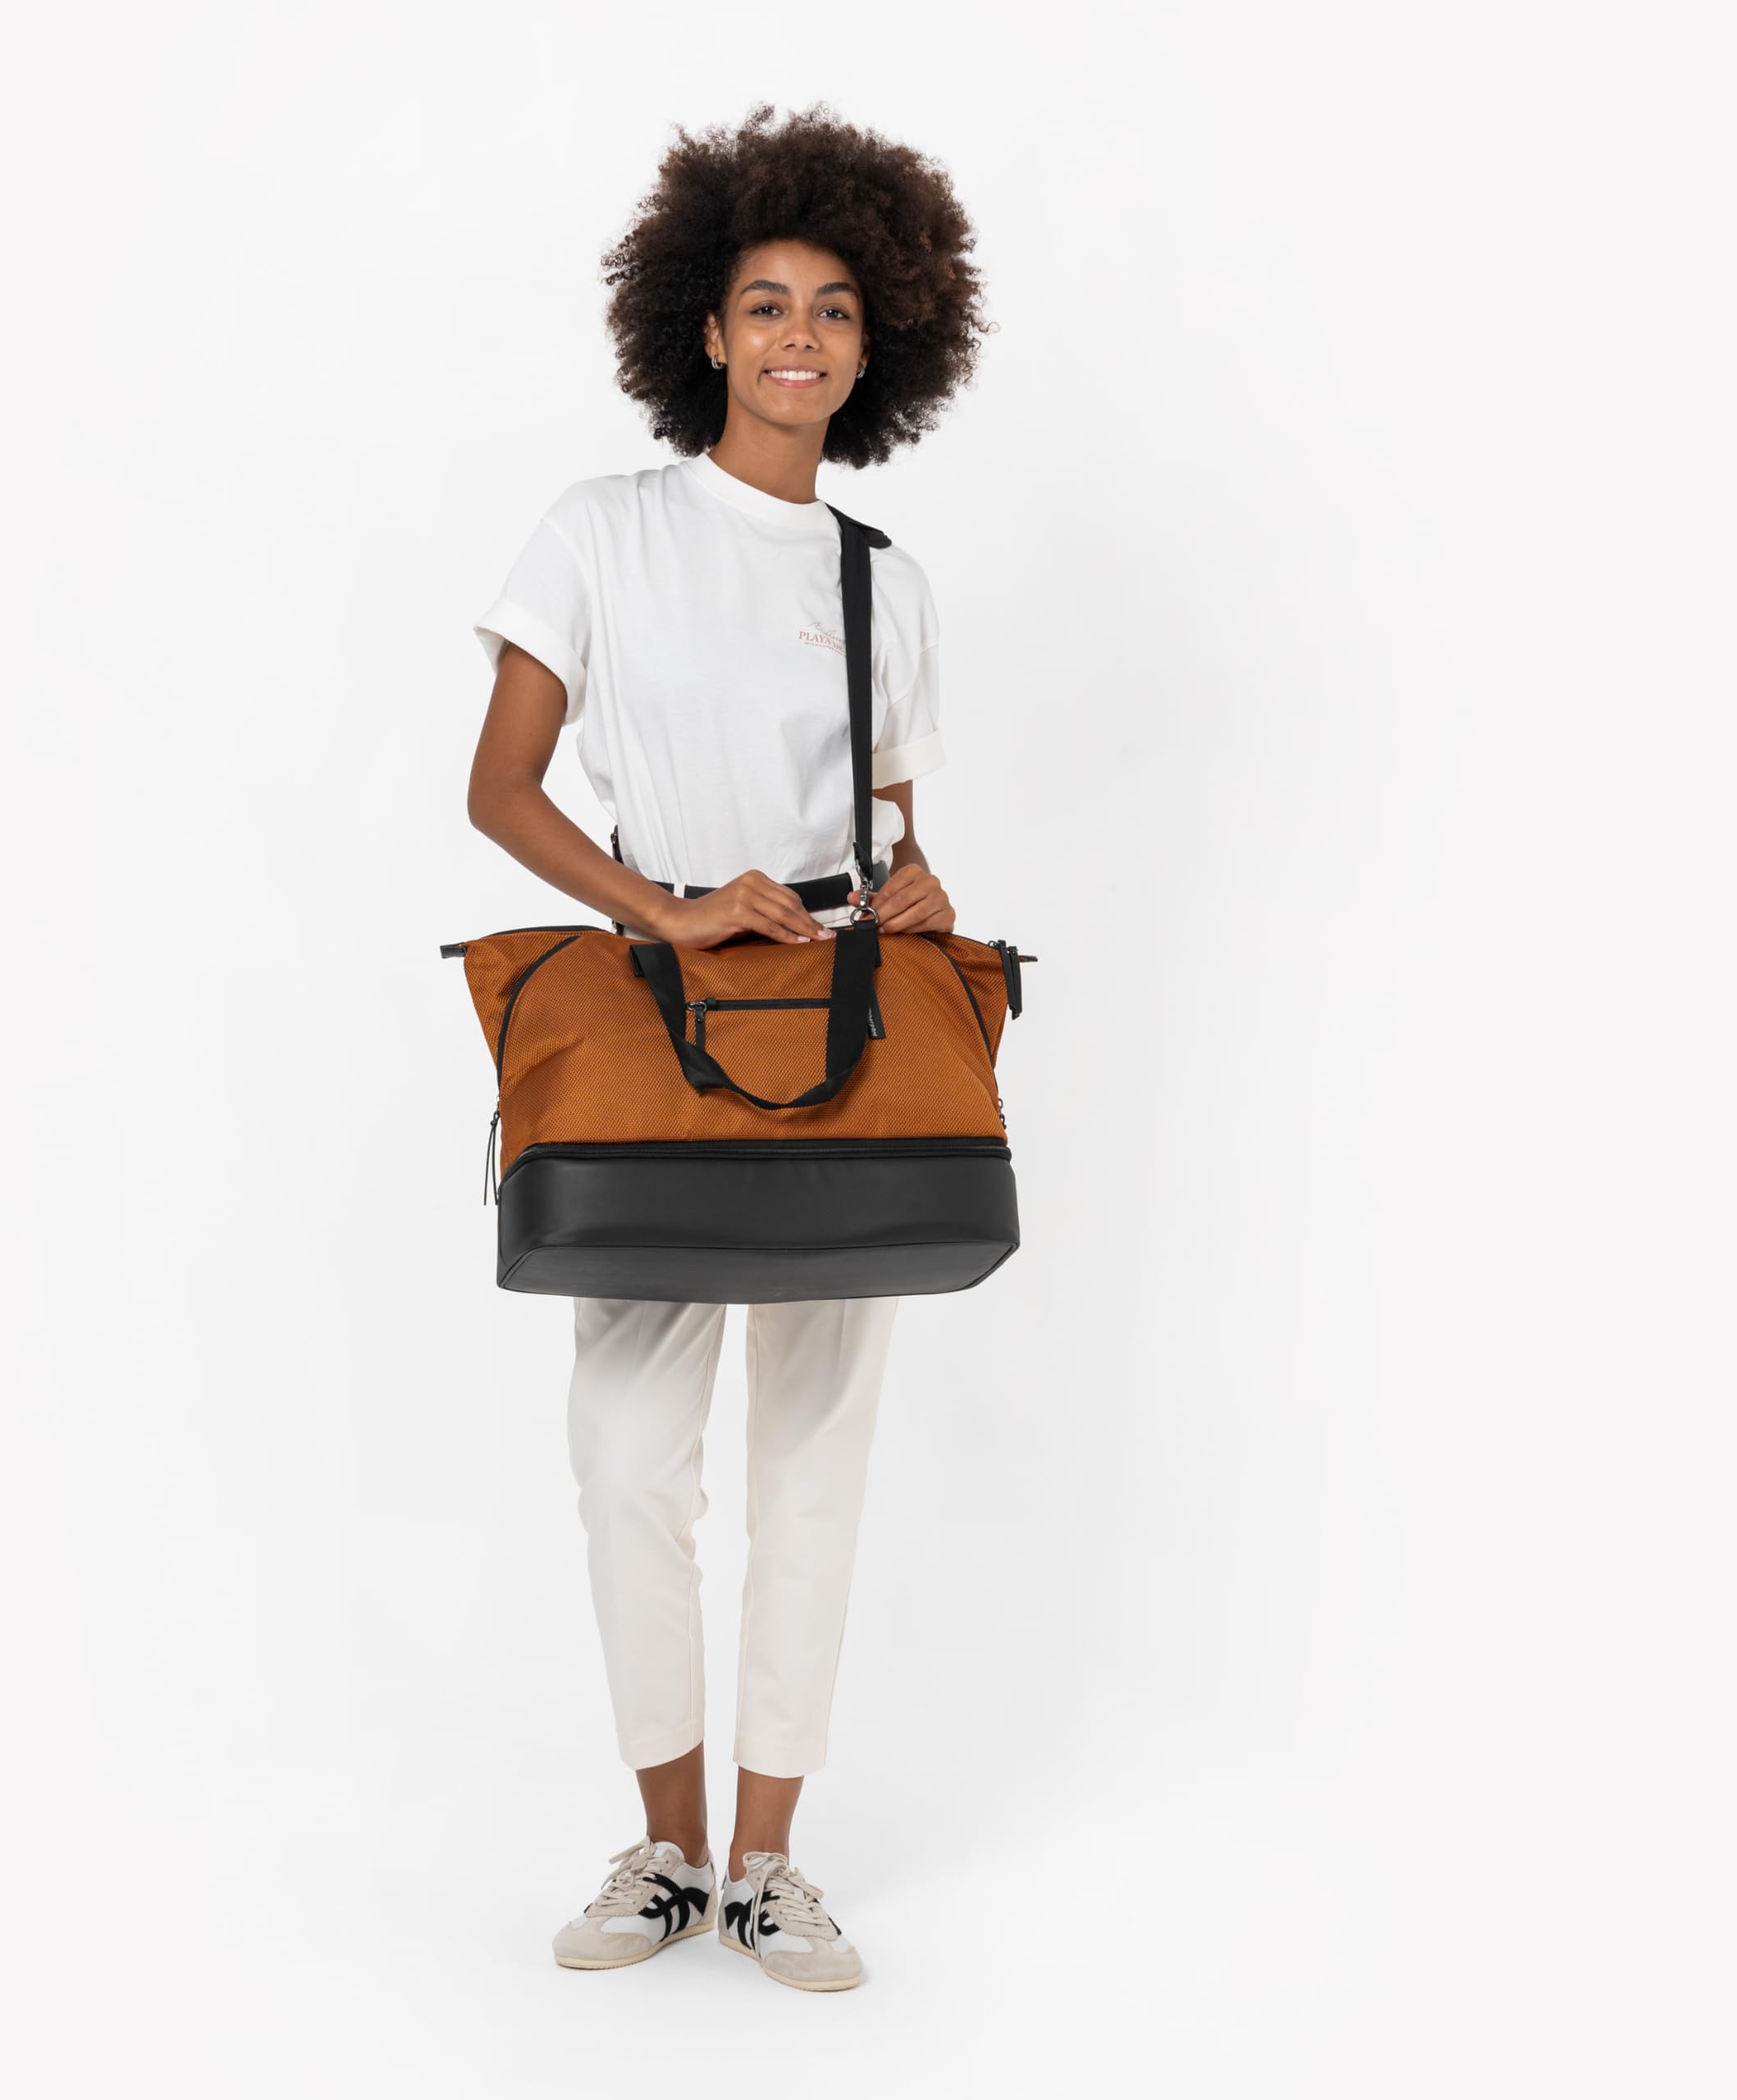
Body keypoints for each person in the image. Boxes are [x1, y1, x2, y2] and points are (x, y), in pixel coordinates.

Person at [464, 101, 990, 1993]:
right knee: (627, 1459)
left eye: (833, 309)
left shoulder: (881, 579)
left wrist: (916, 885)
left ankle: (768, 1860)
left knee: (815, 1461)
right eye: (765, 302)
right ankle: (664, 1843)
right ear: (700, 324)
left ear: (875, 343)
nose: (797, 336)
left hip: (838, 1027)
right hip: (660, 1023)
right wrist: (663, 908)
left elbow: (890, 825)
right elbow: (500, 788)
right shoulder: (599, 531)